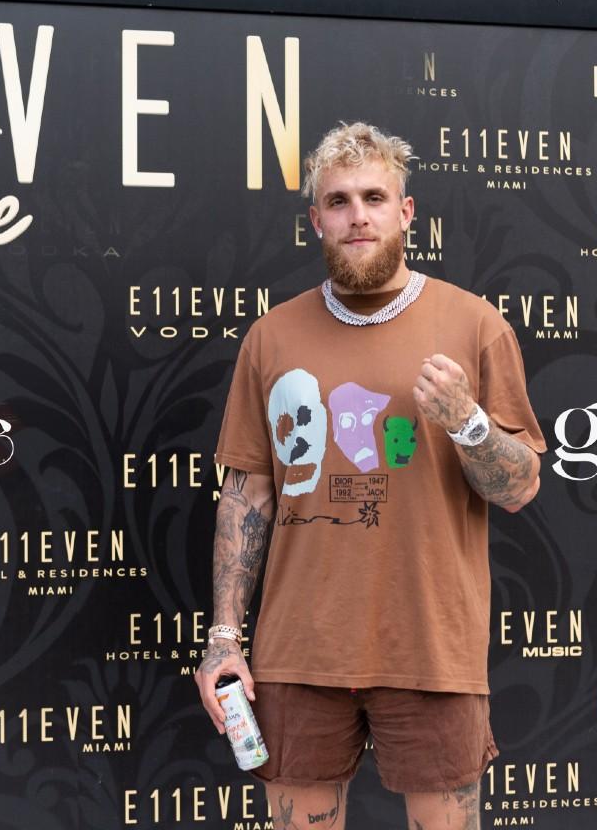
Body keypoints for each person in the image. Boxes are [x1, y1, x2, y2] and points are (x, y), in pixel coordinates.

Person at [195, 122, 546, 830]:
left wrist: (468, 422)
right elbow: (246, 496)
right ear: (316, 219)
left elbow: (520, 487)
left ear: (406, 212)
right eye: (340, 200)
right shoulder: (271, 337)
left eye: (375, 197)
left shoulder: (476, 326)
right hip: (298, 654)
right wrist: (225, 639)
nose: (358, 215)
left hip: (432, 650)